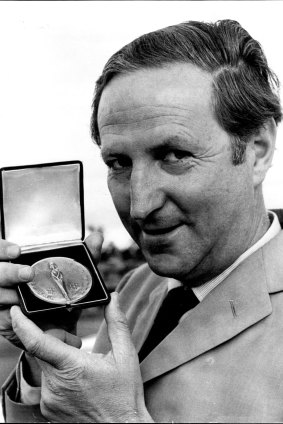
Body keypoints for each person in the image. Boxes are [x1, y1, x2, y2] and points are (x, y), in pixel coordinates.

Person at [1, 18, 283, 423]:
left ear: (257, 149)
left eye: (174, 155)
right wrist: (45, 361)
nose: (138, 206)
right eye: (118, 163)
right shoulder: (135, 288)